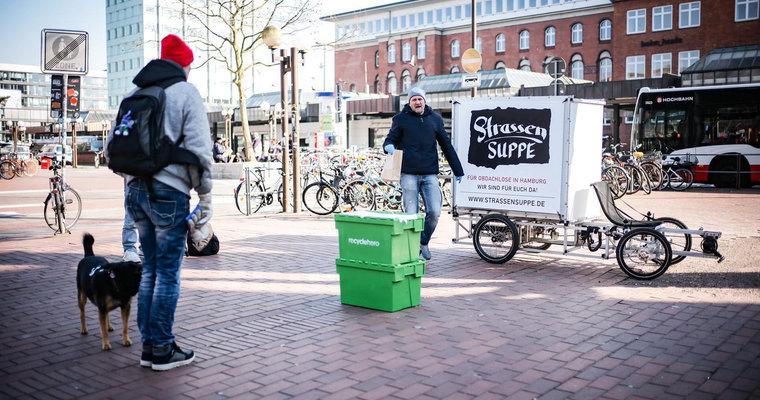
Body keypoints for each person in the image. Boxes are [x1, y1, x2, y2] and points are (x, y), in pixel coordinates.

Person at [108, 34, 213, 371]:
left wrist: (136, 180)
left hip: (135, 192)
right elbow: (200, 150)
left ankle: (149, 347)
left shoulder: (135, 93)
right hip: (170, 195)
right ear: (184, 64)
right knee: (167, 273)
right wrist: (206, 199)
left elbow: (113, 147)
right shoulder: (186, 92)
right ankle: (163, 350)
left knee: (150, 268)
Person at [383, 87, 464, 260]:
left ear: (424, 101)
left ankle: (423, 242)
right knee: (411, 214)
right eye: (414, 100)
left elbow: (446, 145)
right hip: (408, 173)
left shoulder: (435, 119)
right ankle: (412, 250)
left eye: (420, 99)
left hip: (429, 174)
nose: (418, 102)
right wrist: (388, 147)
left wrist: (457, 170)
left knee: (434, 212)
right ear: (409, 102)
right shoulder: (400, 119)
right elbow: (390, 139)